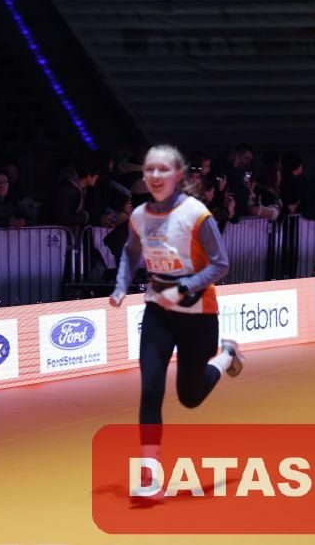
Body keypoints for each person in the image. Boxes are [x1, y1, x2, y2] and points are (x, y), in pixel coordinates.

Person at [109, 144, 244, 473]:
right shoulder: (140, 216)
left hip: (197, 314)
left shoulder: (197, 215)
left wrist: (183, 288)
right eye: (150, 171)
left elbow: (221, 264)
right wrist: (121, 284)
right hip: (158, 310)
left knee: (190, 397)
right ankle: (149, 472)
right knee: (151, 387)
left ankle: (227, 356)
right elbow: (130, 251)